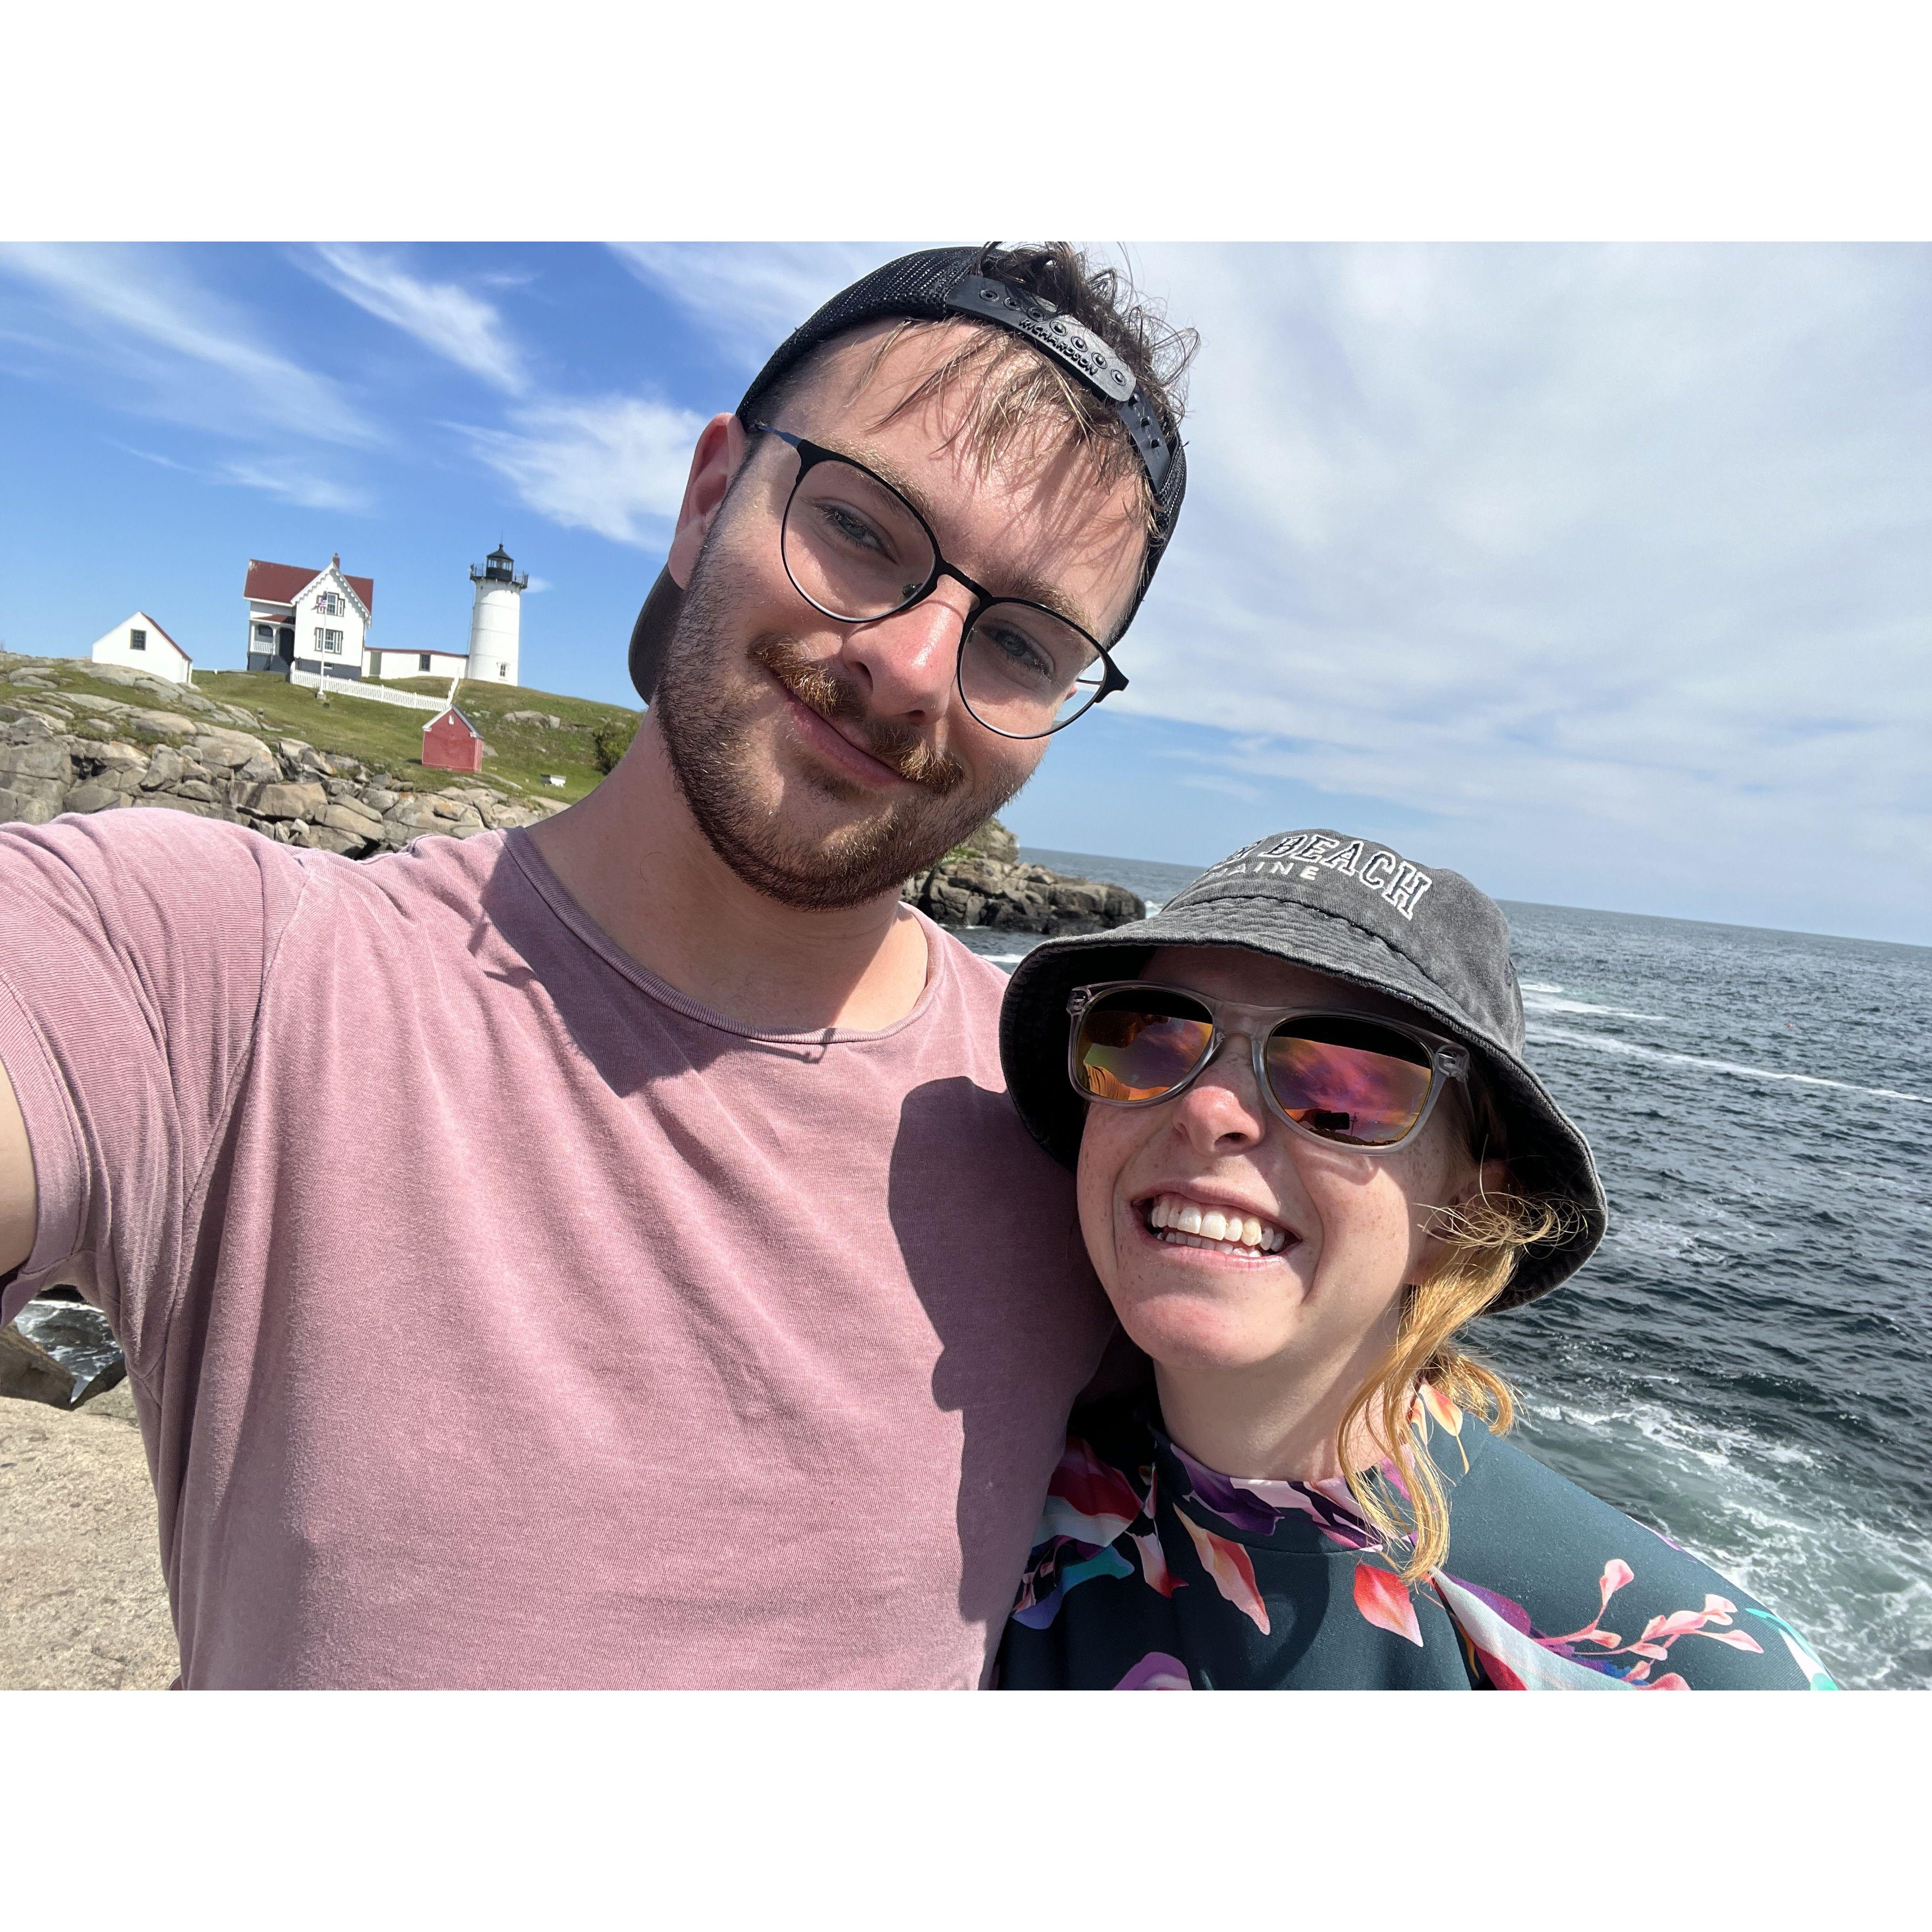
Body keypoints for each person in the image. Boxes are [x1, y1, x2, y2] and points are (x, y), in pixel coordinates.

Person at [0, 244, 1197, 1688]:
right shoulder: (228, 969)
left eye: (1023, 641)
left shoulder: (1082, 1144)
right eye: (861, 528)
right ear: (709, 498)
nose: (917, 666)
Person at [992, 828, 1836, 1689]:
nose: (1208, 1109)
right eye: (1148, 1039)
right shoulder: (981, 1509)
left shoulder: (1682, 1676)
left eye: (1341, 1088)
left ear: (1465, 1217)